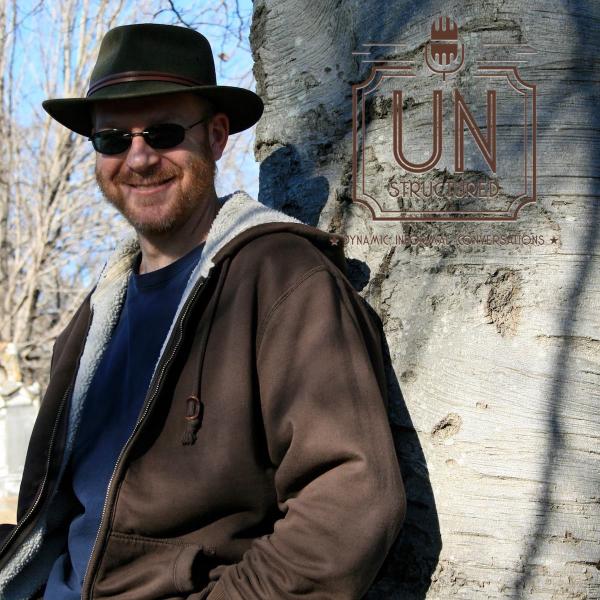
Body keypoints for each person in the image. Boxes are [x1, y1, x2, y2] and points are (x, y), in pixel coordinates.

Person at [0, 23, 405, 600]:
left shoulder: (282, 279)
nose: (138, 158)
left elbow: (351, 502)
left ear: (216, 137)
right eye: (111, 139)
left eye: (163, 132)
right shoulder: (94, 317)